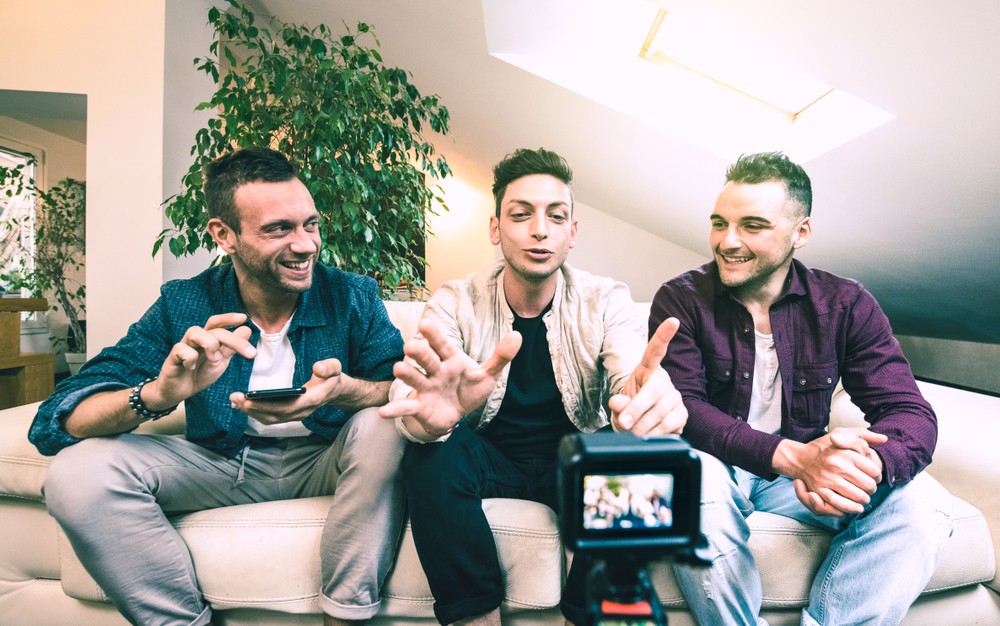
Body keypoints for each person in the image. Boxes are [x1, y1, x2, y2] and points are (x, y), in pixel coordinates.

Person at [28, 147, 406, 626]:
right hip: (223, 465)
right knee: (76, 472)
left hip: (325, 460)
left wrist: (342, 390)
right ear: (224, 235)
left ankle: (346, 617)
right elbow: (56, 419)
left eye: (310, 224)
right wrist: (158, 395)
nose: (307, 244)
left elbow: (399, 386)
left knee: (387, 425)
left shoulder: (352, 294)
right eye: (278, 229)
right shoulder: (185, 302)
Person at [378, 147, 688, 626]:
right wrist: (427, 418)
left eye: (555, 216)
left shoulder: (605, 298)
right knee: (432, 452)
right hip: (490, 460)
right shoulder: (456, 299)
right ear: (496, 229)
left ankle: (590, 617)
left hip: (573, 461)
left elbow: (630, 372)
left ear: (572, 233)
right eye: (521, 215)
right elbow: (414, 394)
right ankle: (476, 617)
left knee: (632, 457)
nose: (539, 229)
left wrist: (643, 396)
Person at [650, 151, 954, 625]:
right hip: (716, 466)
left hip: (794, 484)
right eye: (719, 223)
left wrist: (863, 466)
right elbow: (685, 408)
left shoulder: (846, 303)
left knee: (925, 503)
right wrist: (795, 457)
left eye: (752, 226)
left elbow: (908, 411)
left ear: (801, 233)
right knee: (694, 485)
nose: (727, 241)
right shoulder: (681, 297)